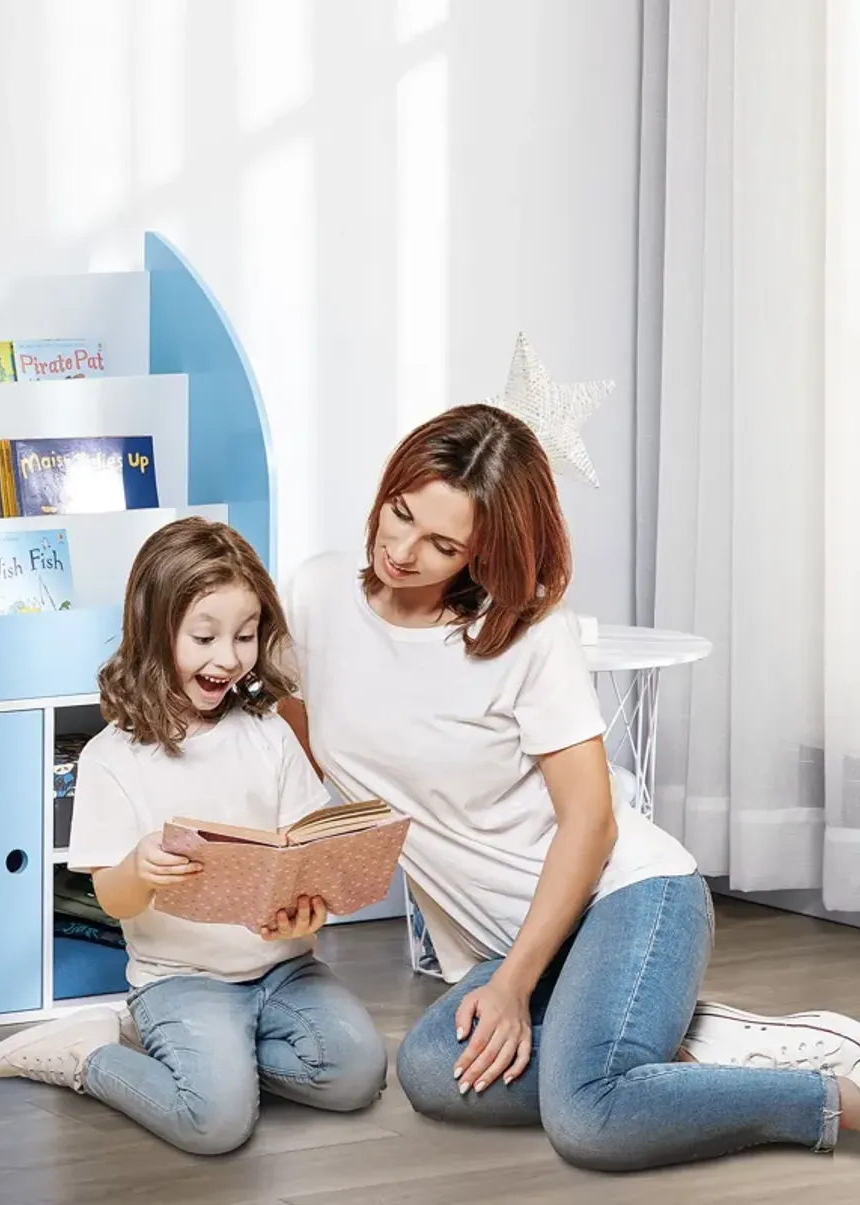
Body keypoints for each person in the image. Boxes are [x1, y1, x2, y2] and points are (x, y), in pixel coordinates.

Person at [278, 403, 860, 1171]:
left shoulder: (526, 633)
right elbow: (299, 753)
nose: (403, 550)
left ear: (484, 552)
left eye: (443, 544)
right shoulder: (316, 595)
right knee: (428, 1070)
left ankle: (820, 1091)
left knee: (589, 1117)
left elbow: (591, 822)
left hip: (627, 897)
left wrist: (515, 987)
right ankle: (678, 1045)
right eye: (400, 513)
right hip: (507, 940)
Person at [0, 517, 388, 1156]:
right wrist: (140, 869)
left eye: (246, 636)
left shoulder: (269, 734)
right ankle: (89, 1054)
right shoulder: (113, 757)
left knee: (358, 1076)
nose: (228, 657)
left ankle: (214, 1060)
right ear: (155, 629)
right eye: (205, 636)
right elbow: (114, 902)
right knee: (216, 1124)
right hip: (181, 977)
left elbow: (304, 855)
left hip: (283, 971)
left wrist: (309, 915)